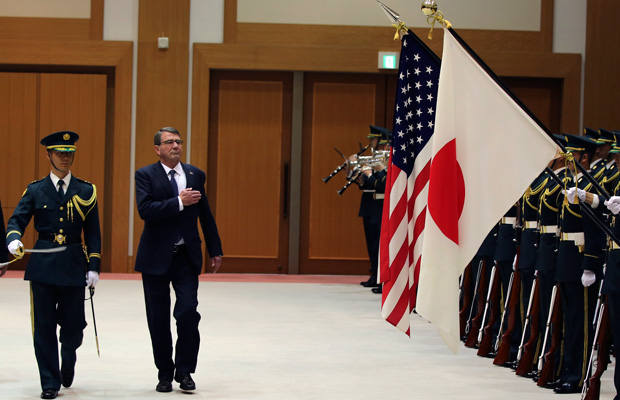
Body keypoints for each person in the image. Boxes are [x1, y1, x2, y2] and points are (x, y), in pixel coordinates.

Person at [4, 131, 101, 400]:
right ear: (48, 155)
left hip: (72, 264)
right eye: (59, 153)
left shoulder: (86, 190)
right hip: (43, 265)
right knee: (44, 327)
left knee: (74, 327)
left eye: (69, 153)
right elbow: (16, 220)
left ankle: (68, 356)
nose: (65, 158)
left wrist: (94, 266)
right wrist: (12, 240)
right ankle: (49, 381)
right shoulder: (36, 189)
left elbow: (92, 231)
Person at [135, 126, 223, 393]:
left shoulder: (195, 174)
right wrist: (179, 202)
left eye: (178, 141)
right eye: (169, 142)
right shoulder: (145, 175)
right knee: (158, 318)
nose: (175, 145)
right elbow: (145, 210)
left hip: (186, 257)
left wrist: (215, 248)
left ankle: (185, 371)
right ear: (157, 149)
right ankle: (164, 372)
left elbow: (205, 213)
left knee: (187, 313)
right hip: (155, 258)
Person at [354, 125, 389, 289]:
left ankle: (381, 277)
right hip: (370, 204)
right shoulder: (374, 158)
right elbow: (369, 185)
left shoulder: (385, 159)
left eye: (373, 139)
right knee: (371, 242)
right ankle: (375, 273)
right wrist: (359, 176)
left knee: (378, 244)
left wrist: (370, 173)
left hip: (380, 205)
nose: (370, 142)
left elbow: (382, 185)